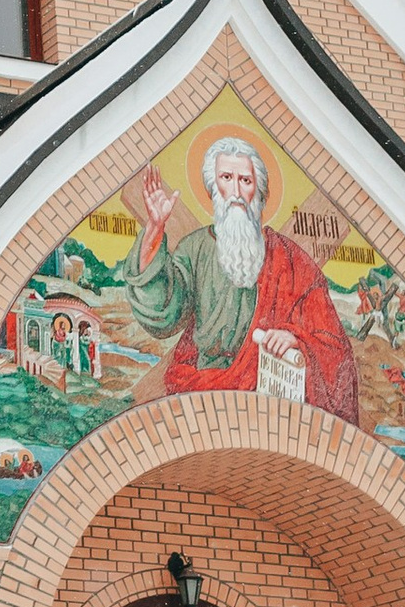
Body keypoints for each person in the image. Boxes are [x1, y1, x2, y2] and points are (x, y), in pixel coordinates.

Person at [128, 135, 359, 417]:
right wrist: (155, 226)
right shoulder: (194, 248)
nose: (236, 191)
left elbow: (334, 348)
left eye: (246, 181)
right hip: (197, 388)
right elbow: (163, 315)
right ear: (213, 188)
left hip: (268, 396)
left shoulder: (292, 261)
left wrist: (296, 339)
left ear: (258, 192)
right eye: (226, 178)